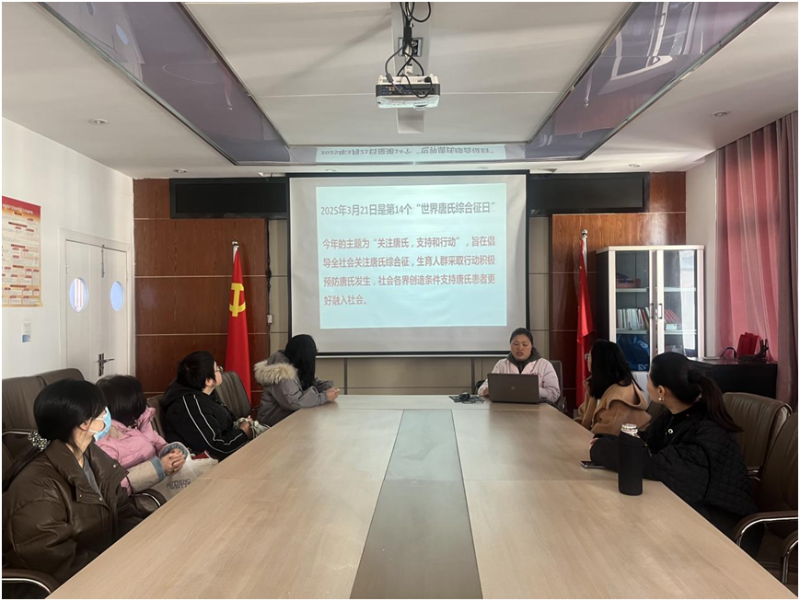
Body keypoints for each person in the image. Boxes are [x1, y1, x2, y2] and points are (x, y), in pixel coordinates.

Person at [590, 352, 757, 536]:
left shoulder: (707, 428)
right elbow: (647, 441)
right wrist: (606, 440)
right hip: (693, 509)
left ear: (661, 391)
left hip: (721, 525)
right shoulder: (677, 415)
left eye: (649, 378)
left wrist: (601, 450)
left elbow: (657, 466)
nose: (646, 382)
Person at [1, 380, 142, 589]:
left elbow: (122, 509)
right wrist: (119, 570)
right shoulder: (37, 488)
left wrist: (140, 545)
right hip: (65, 587)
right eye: (103, 410)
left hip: (105, 569)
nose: (107, 414)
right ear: (84, 423)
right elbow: (57, 563)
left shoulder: (92, 455)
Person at [96, 375, 187, 496]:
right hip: (142, 498)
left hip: (161, 485)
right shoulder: (105, 441)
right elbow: (113, 488)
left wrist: (173, 454)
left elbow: (160, 444)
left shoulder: (140, 423)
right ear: (127, 403)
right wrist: (159, 468)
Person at [161, 351, 252, 460]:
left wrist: (241, 424)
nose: (221, 370)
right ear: (208, 381)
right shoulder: (190, 407)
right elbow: (215, 449)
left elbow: (227, 419)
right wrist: (243, 433)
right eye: (218, 369)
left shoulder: (204, 393)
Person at [255, 334, 339, 427]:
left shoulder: (295, 365)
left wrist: (328, 387)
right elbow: (294, 403)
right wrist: (324, 396)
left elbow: (312, 382)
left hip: (286, 417)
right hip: (272, 422)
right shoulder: (282, 373)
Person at [575, 340, 650, 435]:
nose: (587, 360)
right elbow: (583, 417)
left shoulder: (618, 399)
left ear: (598, 362)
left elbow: (603, 435)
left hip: (619, 442)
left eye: (588, 356)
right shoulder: (597, 386)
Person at [478, 327, 560, 403]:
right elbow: (483, 388)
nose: (520, 348)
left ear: (531, 346)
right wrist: (485, 390)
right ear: (510, 345)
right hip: (506, 408)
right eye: (516, 344)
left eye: (525, 344)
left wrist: (535, 390)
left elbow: (554, 394)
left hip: (537, 408)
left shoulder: (544, 365)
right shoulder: (502, 364)